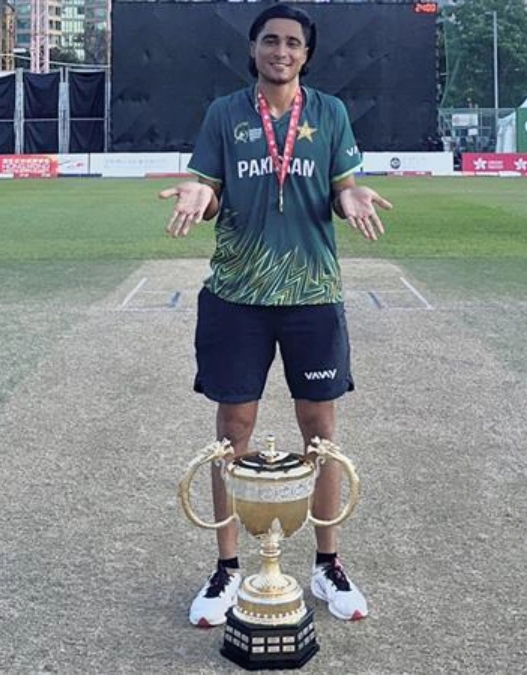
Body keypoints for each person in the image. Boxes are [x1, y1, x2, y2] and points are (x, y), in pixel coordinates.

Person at [158, 3, 392, 628]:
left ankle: (327, 563)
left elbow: (343, 190)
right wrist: (197, 193)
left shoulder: (330, 114)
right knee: (231, 432)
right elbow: (208, 192)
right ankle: (228, 568)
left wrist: (354, 193)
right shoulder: (225, 114)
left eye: (292, 43)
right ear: (254, 48)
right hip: (237, 295)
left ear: (306, 54)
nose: (280, 51)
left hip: (313, 294)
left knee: (321, 435)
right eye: (270, 41)